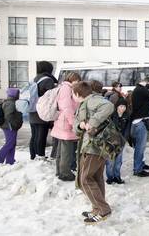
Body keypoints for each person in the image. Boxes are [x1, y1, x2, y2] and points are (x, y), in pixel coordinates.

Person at [73, 81, 114, 224]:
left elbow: (109, 106)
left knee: (84, 179)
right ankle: (97, 208)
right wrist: (80, 125)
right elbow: (76, 126)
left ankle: (103, 210)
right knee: (96, 177)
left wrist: (93, 122)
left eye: (73, 94)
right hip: (93, 146)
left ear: (78, 94)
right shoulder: (84, 104)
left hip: (94, 147)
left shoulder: (92, 100)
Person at [51, 72, 81, 181]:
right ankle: (65, 173)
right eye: (76, 80)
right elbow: (67, 108)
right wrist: (74, 123)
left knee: (61, 149)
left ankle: (59, 171)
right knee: (66, 151)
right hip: (66, 123)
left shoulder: (65, 88)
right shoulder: (66, 89)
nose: (78, 82)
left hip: (63, 122)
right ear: (71, 79)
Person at [130, 76, 149, 177]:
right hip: (139, 123)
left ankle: (141, 165)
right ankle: (137, 169)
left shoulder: (140, 90)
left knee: (141, 147)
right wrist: (148, 85)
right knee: (140, 147)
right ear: (148, 82)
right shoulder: (140, 89)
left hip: (140, 122)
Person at [29, 61, 58, 160]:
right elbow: (51, 96)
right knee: (41, 135)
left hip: (32, 110)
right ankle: (40, 156)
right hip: (42, 111)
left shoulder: (35, 79)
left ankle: (33, 156)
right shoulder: (48, 80)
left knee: (34, 135)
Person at [0, 88, 23, 166]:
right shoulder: (10, 103)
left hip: (9, 126)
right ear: (14, 94)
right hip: (9, 127)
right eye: (18, 93)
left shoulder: (10, 102)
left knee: (12, 143)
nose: (18, 95)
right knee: (9, 144)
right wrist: (15, 124)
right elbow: (9, 115)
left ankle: (10, 161)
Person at [105, 97, 129, 185]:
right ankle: (110, 177)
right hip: (111, 141)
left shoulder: (127, 116)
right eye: (121, 106)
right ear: (117, 106)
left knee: (118, 160)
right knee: (110, 160)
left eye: (124, 106)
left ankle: (117, 176)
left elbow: (127, 129)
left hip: (121, 142)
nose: (122, 108)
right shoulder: (111, 115)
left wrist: (124, 139)